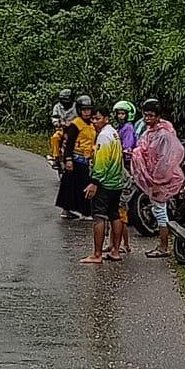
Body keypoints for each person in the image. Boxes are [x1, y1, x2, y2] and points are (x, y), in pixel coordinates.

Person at [130, 98, 185, 258]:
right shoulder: (151, 132)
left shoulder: (163, 135)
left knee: (160, 212)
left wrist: (156, 181)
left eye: (151, 116)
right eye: (146, 115)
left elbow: (164, 160)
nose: (148, 119)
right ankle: (162, 244)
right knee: (158, 210)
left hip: (160, 179)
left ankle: (163, 246)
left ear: (158, 116)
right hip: (152, 176)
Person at [81, 108, 126, 264]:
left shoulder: (103, 137)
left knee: (99, 216)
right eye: (93, 118)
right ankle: (115, 250)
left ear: (106, 119)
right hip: (117, 182)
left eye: (98, 118)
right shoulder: (114, 133)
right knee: (114, 214)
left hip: (105, 182)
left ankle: (97, 254)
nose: (94, 121)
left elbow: (101, 162)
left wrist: (94, 182)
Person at [54, 96, 96, 218]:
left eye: (89, 109)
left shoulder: (92, 124)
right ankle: (81, 211)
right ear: (79, 110)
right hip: (76, 158)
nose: (87, 112)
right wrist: (68, 159)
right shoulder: (76, 124)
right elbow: (69, 143)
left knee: (76, 185)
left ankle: (76, 210)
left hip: (87, 159)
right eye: (84, 110)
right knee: (74, 185)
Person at [112, 101, 137, 255]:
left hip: (126, 168)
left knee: (120, 210)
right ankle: (121, 244)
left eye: (123, 113)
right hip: (120, 166)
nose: (120, 116)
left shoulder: (127, 128)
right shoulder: (120, 128)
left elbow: (126, 149)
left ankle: (123, 245)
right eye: (118, 113)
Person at [48, 88, 76, 168]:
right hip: (62, 129)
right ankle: (56, 158)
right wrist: (57, 123)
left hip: (75, 129)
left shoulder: (76, 107)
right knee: (55, 138)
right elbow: (54, 118)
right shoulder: (57, 106)